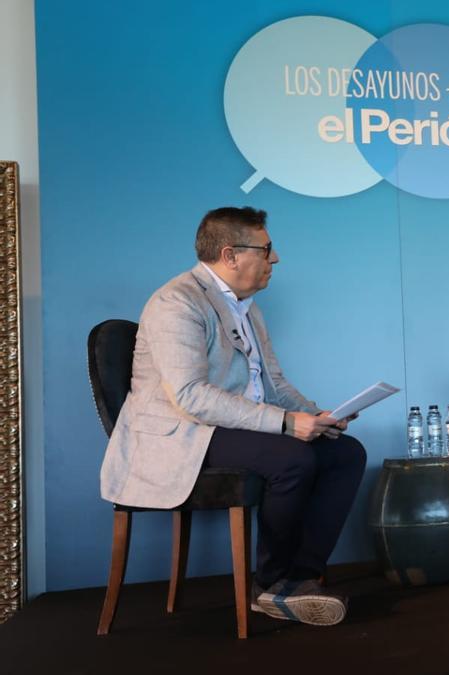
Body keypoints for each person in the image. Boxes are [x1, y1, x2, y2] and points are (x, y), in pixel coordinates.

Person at [100, 206, 366, 624]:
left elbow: (273, 382)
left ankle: (299, 579)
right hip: (181, 433)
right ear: (230, 255)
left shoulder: (247, 308)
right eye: (267, 249)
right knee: (292, 458)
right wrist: (283, 424)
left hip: (227, 427)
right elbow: (190, 396)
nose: (274, 258)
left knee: (344, 452)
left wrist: (316, 415)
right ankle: (270, 584)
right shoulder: (176, 302)